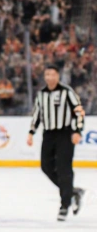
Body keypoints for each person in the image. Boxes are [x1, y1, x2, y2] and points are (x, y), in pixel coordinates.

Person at [28, 65, 86, 220]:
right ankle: (72, 192)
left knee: (64, 168)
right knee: (46, 166)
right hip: (48, 134)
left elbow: (79, 111)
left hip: (65, 134)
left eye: (52, 74)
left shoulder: (67, 92)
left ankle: (65, 204)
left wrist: (77, 131)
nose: (49, 77)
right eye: (46, 74)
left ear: (58, 76)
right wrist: (31, 132)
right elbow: (37, 114)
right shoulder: (41, 94)